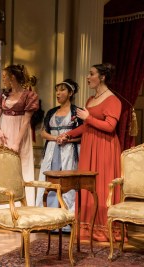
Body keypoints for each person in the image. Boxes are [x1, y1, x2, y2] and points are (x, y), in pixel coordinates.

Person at [58, 63, 122, 242]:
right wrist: (68, 135)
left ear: (101, 77)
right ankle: (87, 227)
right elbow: (86, 126)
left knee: (102, 184)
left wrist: (89, 117)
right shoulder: (90, 100)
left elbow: (110, 127)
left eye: (91, 74)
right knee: (87, 185)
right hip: (89, 145)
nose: (87, 77)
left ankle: (104, 228)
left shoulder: (113, 100)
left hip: (105, 147)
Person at [35, 79, 82, 233]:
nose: (58, 93)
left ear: (70, 93)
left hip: (69, 150)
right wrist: (56, 138)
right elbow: (42, 132)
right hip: (52, 150)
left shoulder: (77, 112)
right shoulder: (51, 112)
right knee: (49, 182)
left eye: (62, 90)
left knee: (66, 184)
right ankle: (46, 219)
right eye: (57, 90)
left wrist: (68, 139)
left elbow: (83, 135)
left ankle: (66, 221)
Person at [0, 64, 39, 206]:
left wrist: (17, 143)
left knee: (21, 167)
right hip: (5, 135)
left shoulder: (29, 95)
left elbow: (26, 122)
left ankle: (24, 206)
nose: (3, 80)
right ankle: (6, 206)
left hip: (20, 135)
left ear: (12, 77)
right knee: (7, 168)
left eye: (4, 77)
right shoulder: (4, 95)